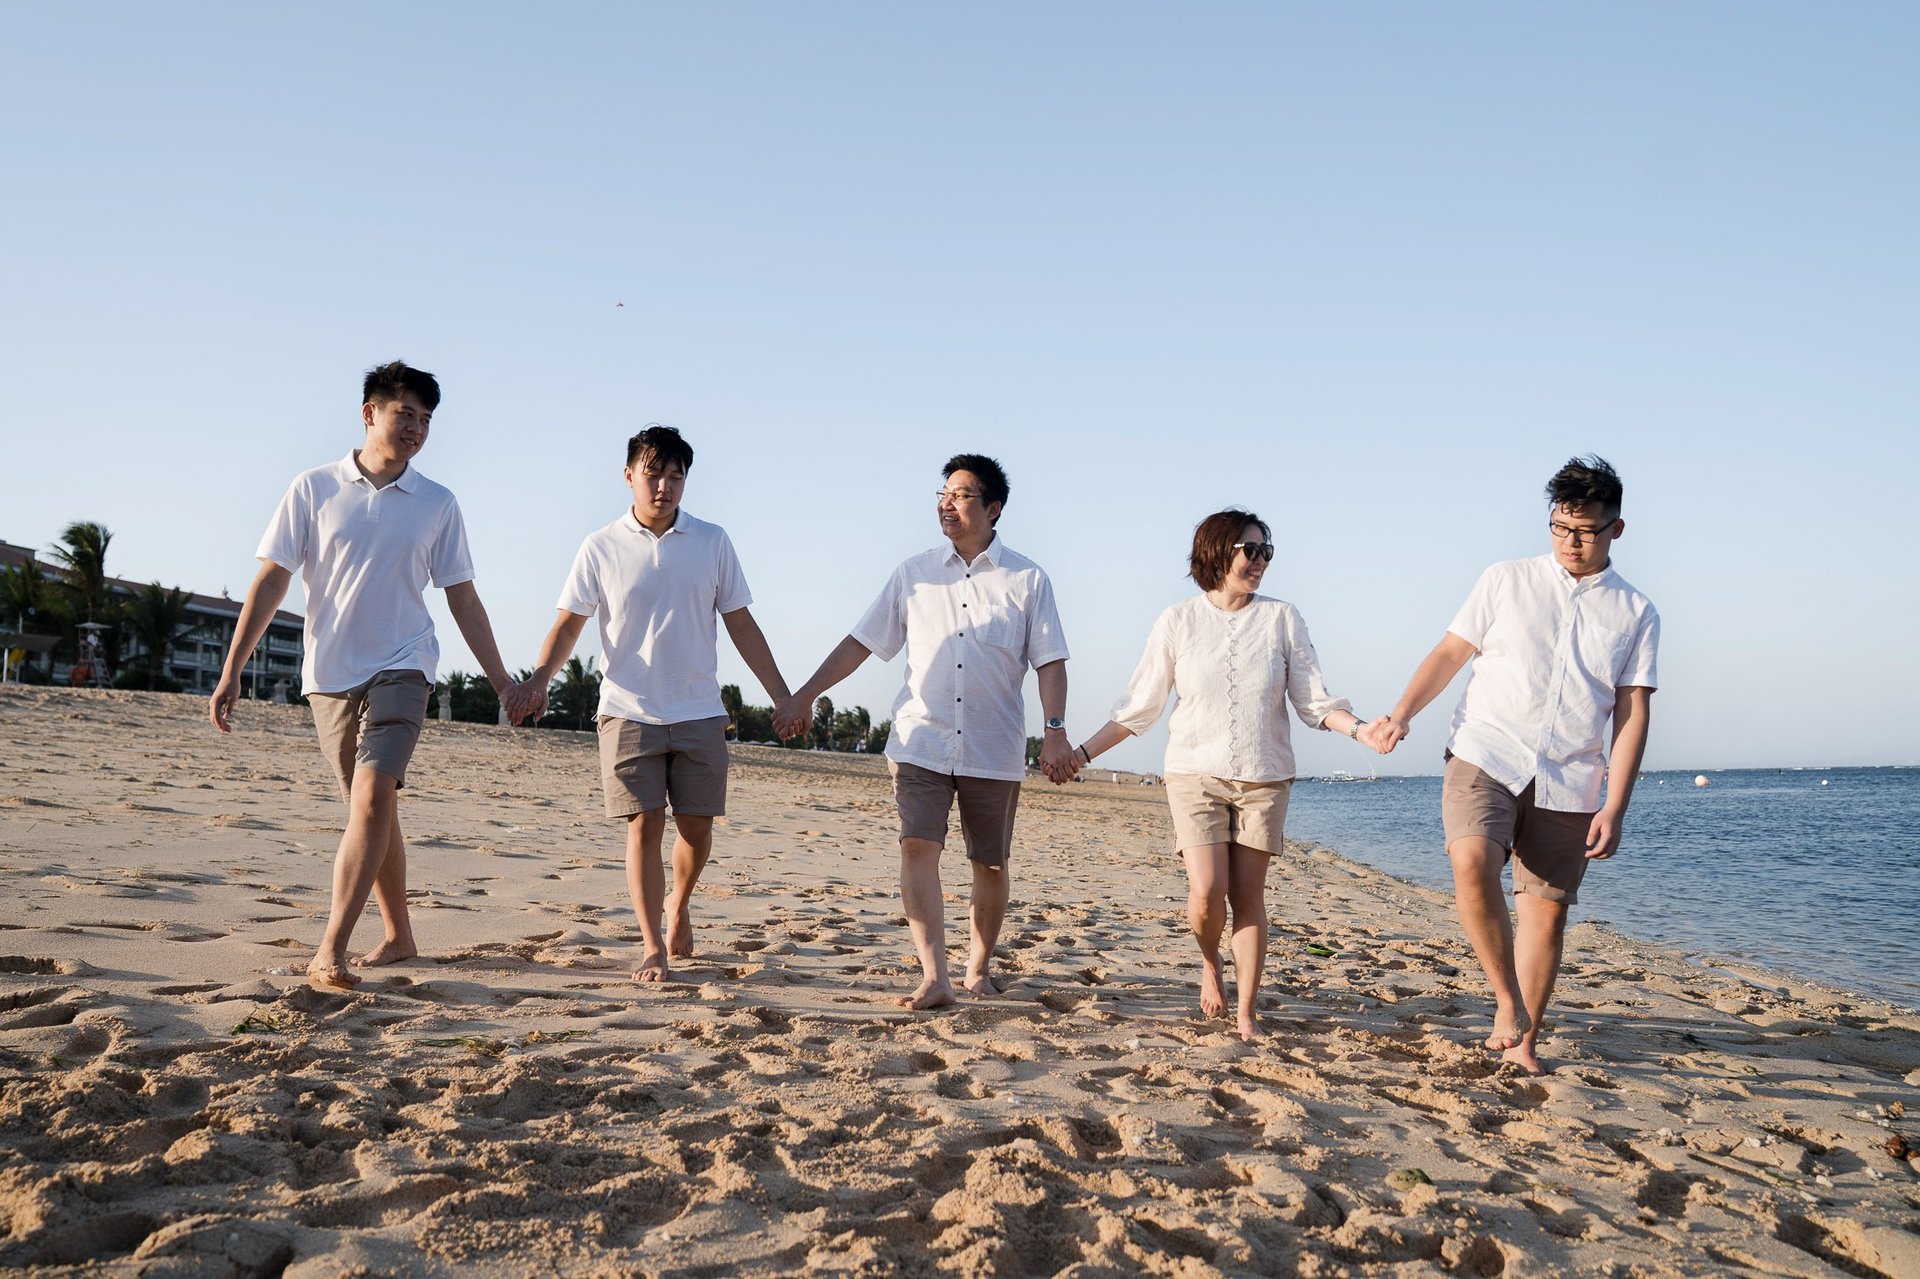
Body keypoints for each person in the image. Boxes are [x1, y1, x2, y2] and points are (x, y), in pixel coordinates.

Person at [209, 361, 528, 991]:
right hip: (330, 674)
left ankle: (332, 947)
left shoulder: (438, 504)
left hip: (405, 664)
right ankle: (400, 934)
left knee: (374, 795)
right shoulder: (314, 488)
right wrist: (232, 670)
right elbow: (273, 579)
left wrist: (502, 683)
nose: (415, 428)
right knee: (371, 808)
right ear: (369, 412)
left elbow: (462, 597)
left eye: (426, 419)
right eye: (404, 413)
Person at [1372, 455, 1658, 1074]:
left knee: (1545, 914)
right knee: (1471, 862)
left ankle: (1524, 1043)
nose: (1571, 542)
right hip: (1486, 749)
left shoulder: (1636, 613)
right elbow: (1451, 652)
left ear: (1617, 528)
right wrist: (1402, 713)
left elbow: (1631, 713)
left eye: (1585, 530)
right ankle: (1507, 1003)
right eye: (1559, 527)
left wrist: (1616, 804)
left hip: (1571, 776)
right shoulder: (1505, 579)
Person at [1068, 509, 1382, 1041]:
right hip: (1194, 772)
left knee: (1248, 895)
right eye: (1249, 550)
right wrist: (1081, 754)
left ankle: (1246, 1012)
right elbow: (1138, 706)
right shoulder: (1177, 621)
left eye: (1266, 552)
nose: (1259, 561)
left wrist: (1361, 732)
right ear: (1217, 552)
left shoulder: (1283, 618)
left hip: (1265, 776)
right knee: (1208, 892)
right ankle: (1210, 963)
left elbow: (1313, 701)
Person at [775, 455, 1074, 1009]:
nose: (946, 503)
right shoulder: (912, 573)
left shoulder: (1028, 580)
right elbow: (861, 643)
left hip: (993, 744)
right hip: (920, 740)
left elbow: (1050, 661)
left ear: (993, 508)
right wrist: (806, 693)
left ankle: (977, 971)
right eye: (942, 493)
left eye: (960, 495)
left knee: (989, 862)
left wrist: (1055, 730)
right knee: (918, 846)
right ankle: (934, 975)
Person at [519, 426, 790, 983]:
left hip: (698, 709)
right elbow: (570, 623)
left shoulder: (713, 541)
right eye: (653, 474)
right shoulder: (600, 545)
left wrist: (782, 695)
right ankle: (651, 946)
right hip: (627, 707)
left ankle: (679, 904)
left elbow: (741, 623)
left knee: (696, 829)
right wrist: (540, 678)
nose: (663, 486)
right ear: (629, 476)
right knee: (644, 824)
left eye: (675, 476)